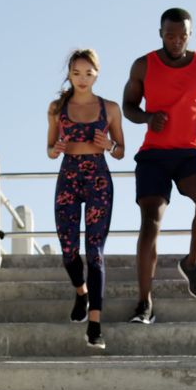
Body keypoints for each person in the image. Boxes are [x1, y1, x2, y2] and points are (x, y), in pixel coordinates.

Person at [122, 8, 196, 324]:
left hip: (190, 152)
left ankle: (192, 263)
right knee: (151, 219)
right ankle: (144, 303)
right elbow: (128, 105)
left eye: (183, 36)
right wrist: (146, 118)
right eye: (170, 35)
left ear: (190, 34)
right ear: (160, 34)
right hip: (154, 153)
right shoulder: (144, 65)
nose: (177, 41)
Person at [47, 49, 125, 348]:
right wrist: (57, 148)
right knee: (68, 251)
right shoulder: (56, 108)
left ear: (97, 74)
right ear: (69, 73)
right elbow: (50, 149)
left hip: (98, 179)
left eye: (88, 73)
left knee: (95, 252)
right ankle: (81, 293)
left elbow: (120, 150)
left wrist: (110, 145)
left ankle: (94, 325)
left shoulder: (110, 108)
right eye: (77, 73)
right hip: (68, 177)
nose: (82, 78)